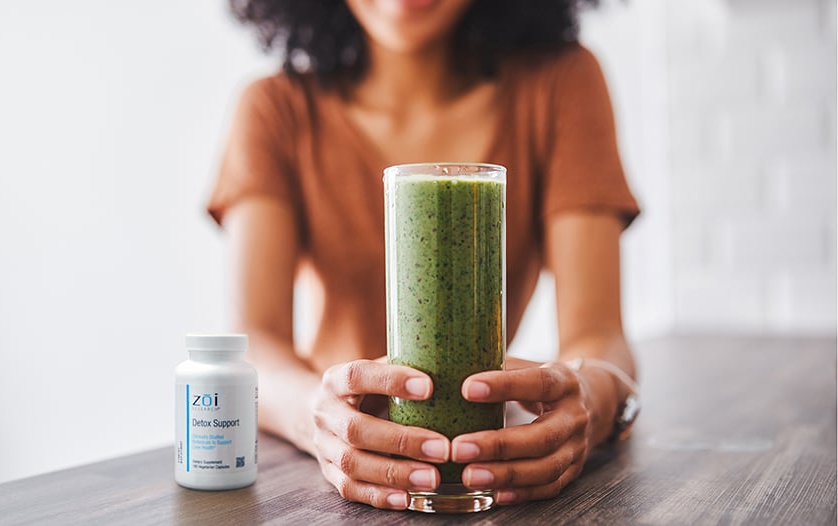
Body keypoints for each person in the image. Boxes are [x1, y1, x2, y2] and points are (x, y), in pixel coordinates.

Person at [207, 0, 640, 510]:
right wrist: (317, 417)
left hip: (479, 460)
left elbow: (599, 333)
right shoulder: (275, 106)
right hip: (330, 473)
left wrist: (591, 397)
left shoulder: (560, 83)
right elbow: (256, 340)